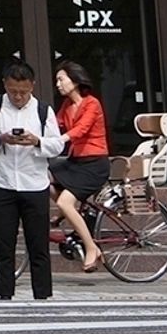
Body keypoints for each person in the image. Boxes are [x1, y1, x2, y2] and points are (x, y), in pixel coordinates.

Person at [0, 58, 60, 303]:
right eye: (13, 91)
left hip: (35, 184)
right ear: (5, 85)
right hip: (2, 184)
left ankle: (42, 296)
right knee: (3, 243)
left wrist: (37, 141)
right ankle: (5, 294)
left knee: (38, 245)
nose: (18, 96)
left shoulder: (43, 110)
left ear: (32, 86)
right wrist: (1, 138)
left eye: (23, 92)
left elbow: (57, 145)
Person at [49, 58, 110, 271]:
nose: (58, 84)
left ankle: (91, 247)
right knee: (44, 177)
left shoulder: (92, 103)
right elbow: (55, 126)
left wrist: (61, 140)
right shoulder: (66, 105)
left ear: (74, 80)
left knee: (65, 202)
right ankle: (69, 214)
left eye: (61, 79)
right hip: (76, 161)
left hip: (94, 164)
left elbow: (81, 130)